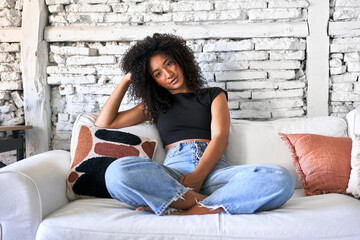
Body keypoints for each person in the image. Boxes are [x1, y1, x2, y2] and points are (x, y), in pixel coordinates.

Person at [95, 33, 295, 216]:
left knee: (280, 178)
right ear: (152, 81)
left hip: (215, 172)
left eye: (169, 64)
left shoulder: (213, 95)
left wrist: (198, 175)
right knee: (116, 173)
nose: (168, 74)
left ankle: (183, 208)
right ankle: (209, 204)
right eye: (157, 73)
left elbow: (220, 137)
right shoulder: (153, 106)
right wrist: (129, 77)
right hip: (173, 176)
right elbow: (105, 122)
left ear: (180, 61)